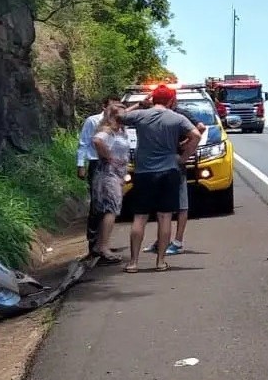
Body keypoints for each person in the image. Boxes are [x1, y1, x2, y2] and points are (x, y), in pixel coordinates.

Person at [116, 84, 201, 272]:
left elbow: (118, 117)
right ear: (171, 101)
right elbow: (196, 134)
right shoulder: (177, 118)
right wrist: (183, 157)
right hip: (169, 171)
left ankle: (133, 263)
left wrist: (139, 105)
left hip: (144, 172)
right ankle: (161, 261)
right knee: (165, 217)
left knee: (140, 217)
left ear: (152, 99)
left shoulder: (140, 116)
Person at [76, 95, 121, 258]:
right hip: (97, 164)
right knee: (97, 205)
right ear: (104, 107)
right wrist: (81, 165)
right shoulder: (93, 121)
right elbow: (84, 143)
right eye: (112, 106)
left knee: (110, 205)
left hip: (113, 168)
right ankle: (93, 244)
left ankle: (104, 244)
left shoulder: (119, 123)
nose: (115, 109)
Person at [88, 103, 130, 265]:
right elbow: (97, 141)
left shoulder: (120, 129)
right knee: (110, 209)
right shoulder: (108, 131)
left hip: (116, 174)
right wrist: (109, 156)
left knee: (110, 209)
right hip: (108, 174)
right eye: (121, 115)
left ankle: (100, 245)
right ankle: (104, 247)